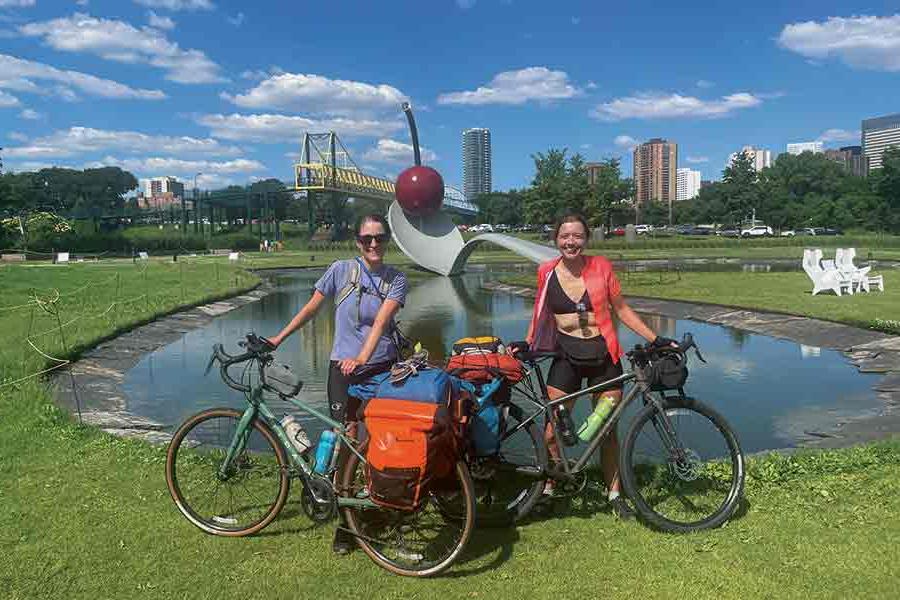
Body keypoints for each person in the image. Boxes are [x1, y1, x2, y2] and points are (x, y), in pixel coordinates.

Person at [267, 213, 408, 553]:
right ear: (357, 241)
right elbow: (312, 308)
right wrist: (278, 337)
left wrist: (362, 357)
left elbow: (380, 324)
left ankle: (379, 505)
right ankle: (347, 523)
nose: (373, 244)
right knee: (348, 440)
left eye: (379, 237)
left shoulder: (396, 279)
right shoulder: (340, 270)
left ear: (387, 240)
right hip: (341, 371)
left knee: (380, 441)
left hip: (380, 367)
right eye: (366, 239)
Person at [520, 213, 674, 520]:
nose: (571, 242)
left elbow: (622, 309)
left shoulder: (601, 266)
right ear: (556, 239)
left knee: (606, 430)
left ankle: (614, 493)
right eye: (565, 236)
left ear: (586, 239)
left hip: (604, 356)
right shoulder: (546, 272)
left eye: (577, 236)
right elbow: (539, 314)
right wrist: (527, 344)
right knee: (552, 432)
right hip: (566, 358)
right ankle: (551, 486)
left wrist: (655, 338)